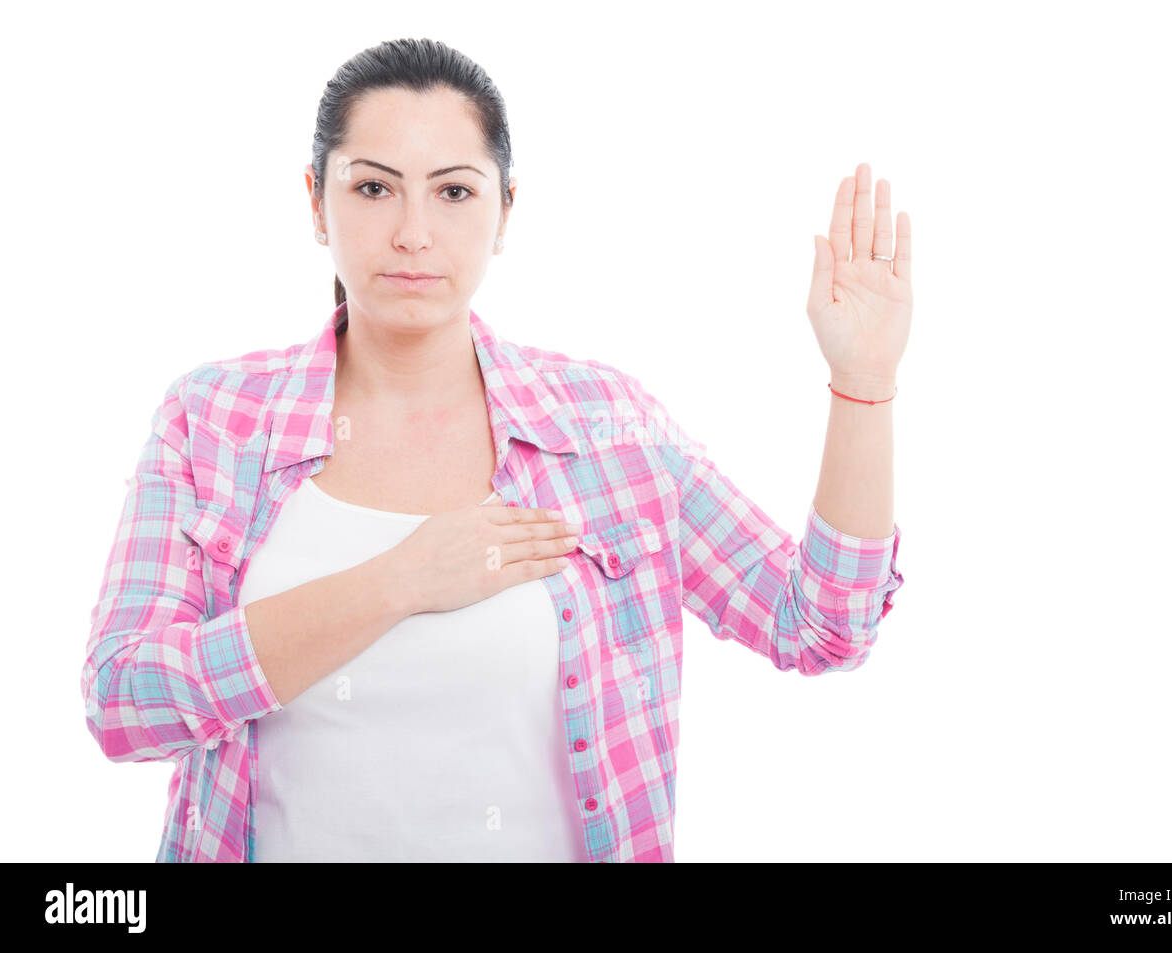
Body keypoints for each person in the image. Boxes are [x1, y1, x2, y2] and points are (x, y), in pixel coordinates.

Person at [81, 37, 910, 863]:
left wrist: (862, 385)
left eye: (453, 192)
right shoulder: (213, 420)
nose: (413, 233)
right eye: (373, 188)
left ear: (505, 212)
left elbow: (823, 624)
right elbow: (123, 706)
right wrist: (397, 581)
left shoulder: (605, 427)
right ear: (314, 202)